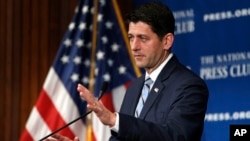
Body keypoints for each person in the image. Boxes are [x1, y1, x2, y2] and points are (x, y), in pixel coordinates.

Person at [45, 2, 209, 141]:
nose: (134, 46)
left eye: (143, 38)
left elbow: (175, 136)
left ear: (166, 41)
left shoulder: (189, 86)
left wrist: (113, 119)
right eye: (131, 37)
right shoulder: (136, 87)